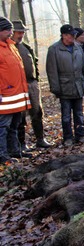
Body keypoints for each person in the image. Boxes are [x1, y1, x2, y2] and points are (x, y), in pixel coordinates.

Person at [11, 20, 52, 150]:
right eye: (18, 32)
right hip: (17, 87)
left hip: (32, 84)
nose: (21, 34)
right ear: (12, 33)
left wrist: (36, 80)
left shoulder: (26, 47)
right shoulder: (9, 48)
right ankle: (21, 143)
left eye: (22, 32)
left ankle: (40, 139)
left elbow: (34, 63)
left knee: (37, 112)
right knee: (20, 116)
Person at [46, 24, 84, 146]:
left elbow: (83, 69)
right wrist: (55, 88)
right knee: (66, 115)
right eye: (71, 35)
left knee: (79, 114)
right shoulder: (54, 49)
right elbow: (52, 71)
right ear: (64, 35)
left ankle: (80, 135)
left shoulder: (78, 47)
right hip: (64, 87)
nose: (73, 37)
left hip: (78, 86)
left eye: (74, 35)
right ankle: (68, 137)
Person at [0, 17, 30, 163]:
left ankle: (15, 151)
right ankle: (2, 154)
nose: (10, 33)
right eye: (7, 30)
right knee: (3, 126)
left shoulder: (11, 46)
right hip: (5, 96)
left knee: (15, 125)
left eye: (10, 30)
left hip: (18, 94)